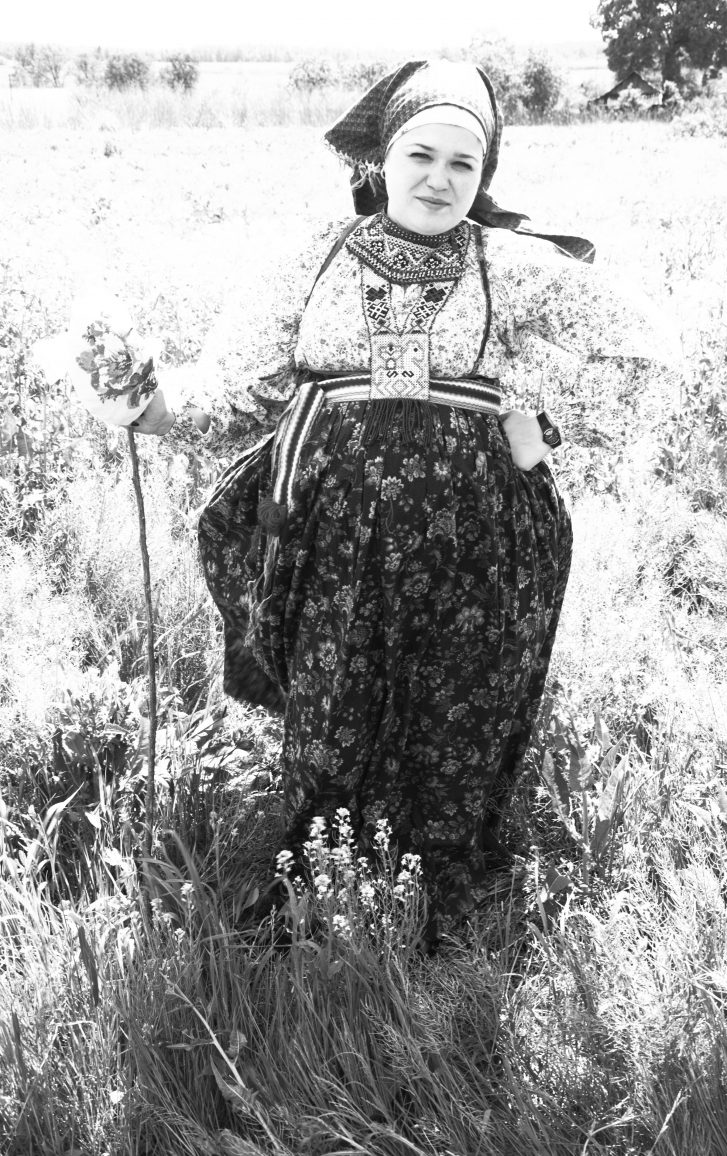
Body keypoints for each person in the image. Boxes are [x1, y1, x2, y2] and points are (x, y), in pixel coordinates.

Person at [184, 60, 678, 942]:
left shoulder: (510, 265)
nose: (440, 179)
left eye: (463, 163)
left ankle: (436, 882)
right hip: (333, 531)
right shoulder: (313, 258)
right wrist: (147, 403)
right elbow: (236, 388)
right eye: (421, 154)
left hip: (480, 533)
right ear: (382, 157)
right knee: (332, 707)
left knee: (458, 702)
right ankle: (322, 877)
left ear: (483, 175)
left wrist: (545, 427)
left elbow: (647, 353)